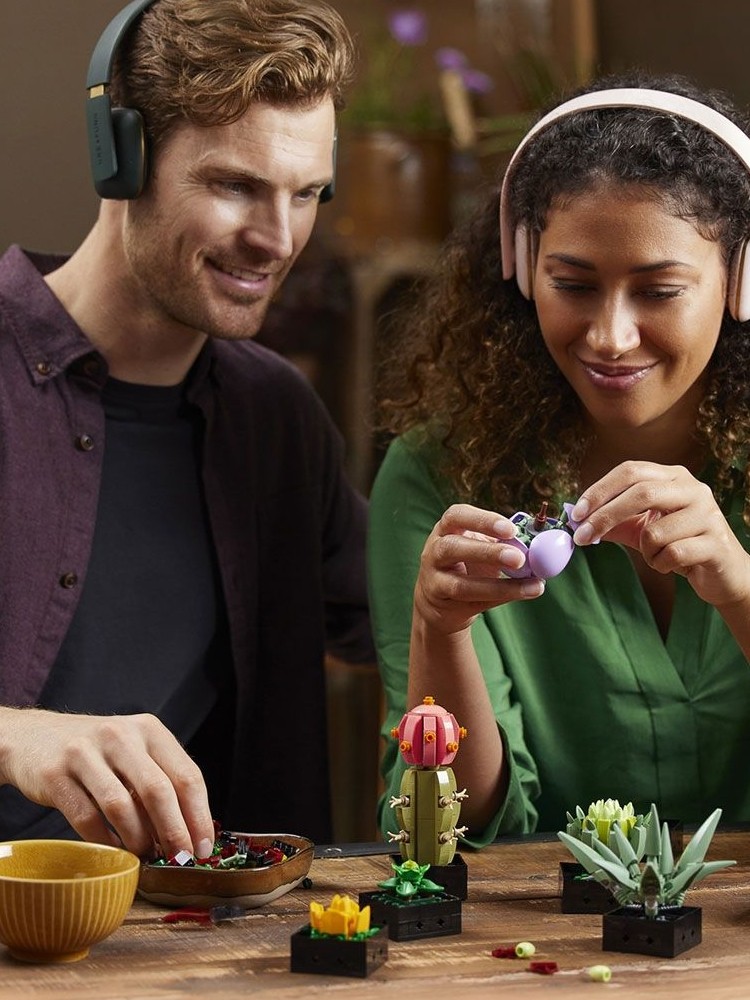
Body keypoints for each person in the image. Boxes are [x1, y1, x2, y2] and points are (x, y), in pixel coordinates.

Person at [0, 0, 374, 857]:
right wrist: (16, 735)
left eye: (306, 194)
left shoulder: (279, 418)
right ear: (121, 158)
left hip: (201, 959)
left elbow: (402, 627)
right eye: (236, 185)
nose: (277, 240)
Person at [369, 70, 750, 846]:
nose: (610, 336)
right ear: (521, 265)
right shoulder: (436, 476)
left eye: (659, 291)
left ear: (742, 281)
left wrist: (740, 592)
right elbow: (446, 836)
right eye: (573, 284)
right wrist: (438, 632)